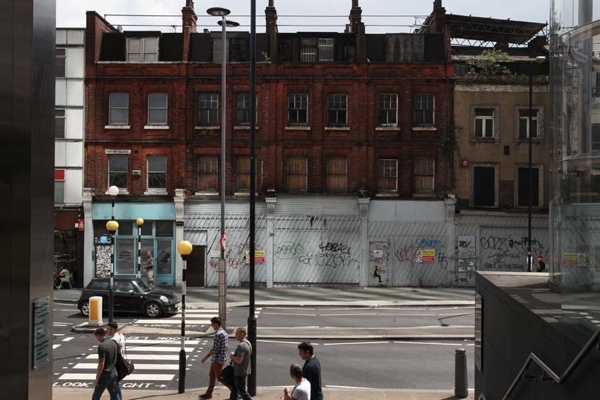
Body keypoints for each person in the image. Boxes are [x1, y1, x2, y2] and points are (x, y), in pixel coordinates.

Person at [200, 317, 229, 399]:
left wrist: (205, 357)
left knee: (220, 378)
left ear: (216, 324)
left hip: (217, 359)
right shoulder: (224, 333)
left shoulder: (218, 335)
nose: (212, 326)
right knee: (212, 375)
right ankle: (208, 393)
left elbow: (215, 349)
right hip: (220, 358)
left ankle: (234, 389)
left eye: (212, 324)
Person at [91, 327, 122, 400]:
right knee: (115, 395)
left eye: (96, 337)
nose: (96, 339)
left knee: (96, 395)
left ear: (99, 336)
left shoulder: (102, 347)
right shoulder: (113, 343)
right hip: (114, 372)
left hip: (105, 374)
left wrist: (97, 378)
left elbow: (101, 364)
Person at [229, 327, 253, 400]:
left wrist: (232, 356)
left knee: (242, 391)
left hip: (239, 371)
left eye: (237, 334)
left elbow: (239, 360)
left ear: (242, 333)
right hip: (244, 370)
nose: (235, 335)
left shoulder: (241, 346)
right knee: (234, 389)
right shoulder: (248, 343)